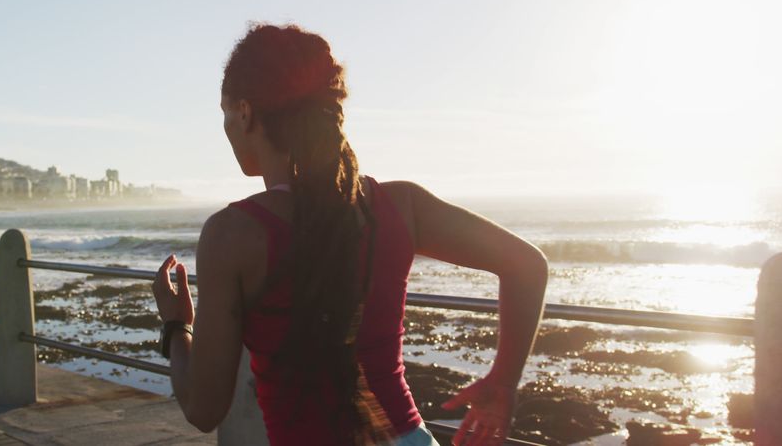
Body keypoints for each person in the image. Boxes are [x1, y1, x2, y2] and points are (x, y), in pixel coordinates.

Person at [152, 23, 548, 446]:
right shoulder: (403, 206)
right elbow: (527, 265)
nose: (227, 126)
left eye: (225, 112)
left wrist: (177, 327)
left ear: (245, 112)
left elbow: (203, 408)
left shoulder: (233, 235)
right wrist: (503, 383)